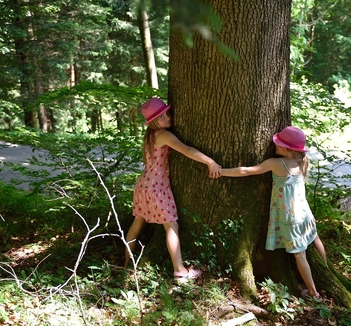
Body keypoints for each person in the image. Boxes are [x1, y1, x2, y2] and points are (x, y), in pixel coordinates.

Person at [221, 126, 327, 300]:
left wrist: (222, 172)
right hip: (305, 213)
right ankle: (325, 268)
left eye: (279, 144)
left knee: (300, 255)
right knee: (314, 238)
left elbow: (246, 171)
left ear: (290, 149)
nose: (274, 145)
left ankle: (313, 292)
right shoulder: (302, 161)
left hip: (290, 219)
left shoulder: (277, 163)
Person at [124, 97, 222, 282]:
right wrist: (210, 161)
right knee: (171, 225)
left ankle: (126, 263)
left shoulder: (149, 135)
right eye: (162, 116)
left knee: (138, 222)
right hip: (157, 187)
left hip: (143, 184)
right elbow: (187, 150)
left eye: (167, 113)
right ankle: (180, 270)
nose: (168, 117)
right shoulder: (163, 135)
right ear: (154, 121)